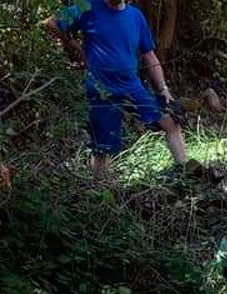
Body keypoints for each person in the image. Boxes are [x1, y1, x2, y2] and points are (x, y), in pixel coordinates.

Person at [42, 0, 187, 179]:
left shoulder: (135, 16)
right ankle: (100, 194)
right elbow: (51, 23)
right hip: (101, 90)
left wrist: (163, 89)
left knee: (171, 122)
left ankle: (185, 174)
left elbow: (149, 56)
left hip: (133, 88)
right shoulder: (87, 7)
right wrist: (73, 45)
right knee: (101, 149)